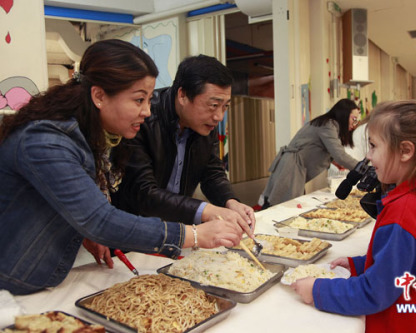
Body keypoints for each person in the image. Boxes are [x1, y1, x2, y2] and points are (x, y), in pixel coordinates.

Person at [0, 39, 244, 295]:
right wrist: (193, 235)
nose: (147, 112)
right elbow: (100, 219)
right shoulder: (47, 141)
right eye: (139, 100)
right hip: (11, 283)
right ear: (99, 96)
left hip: (39, 278)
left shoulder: (94, 135)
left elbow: (70, 202)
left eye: (149, 100)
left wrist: (81, 229)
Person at [291, 100, 416, 332]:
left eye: (374, 146)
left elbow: (375, 292)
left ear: (405, 151)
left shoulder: (405, 212)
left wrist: (317, 290)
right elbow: (408, 263)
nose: (369, 157)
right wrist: (361, 264)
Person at [113, 54, 255, 235]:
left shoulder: (204, 124)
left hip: (177, 231)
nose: (219, 116)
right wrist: (208, 211)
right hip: (132, 232)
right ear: (183, 95)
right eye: (213, 105)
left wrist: (230, 202)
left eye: (225, 106)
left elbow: (211, 172)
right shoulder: (143, 120)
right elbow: (144, 192)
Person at [260, 98, 360, 207]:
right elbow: (340, 155)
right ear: (344, 114)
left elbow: (332, 152)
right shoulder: (328, 125)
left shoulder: (329, 124)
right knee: (281, 206)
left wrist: (335, 162)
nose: (355, 124)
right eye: (354, 119)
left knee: (286, 203)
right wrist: (361, 168)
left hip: (294, 166)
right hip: (291, 167)